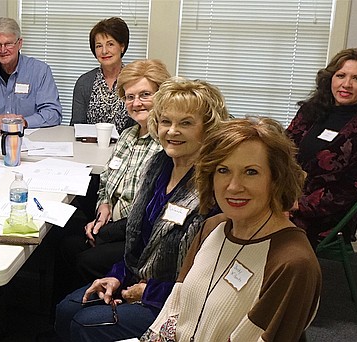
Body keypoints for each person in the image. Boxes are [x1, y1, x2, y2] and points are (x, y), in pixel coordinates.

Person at [55, 77, 230, 341]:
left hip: (175, 301)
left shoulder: (213, 186)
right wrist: (116, 276)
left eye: (185, 123)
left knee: (85, 324)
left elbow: (206, 281)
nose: (172, 131)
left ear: (207, 129)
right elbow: (140, 245)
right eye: (166, 121)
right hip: (137, 281)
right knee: (66, 309)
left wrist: (146, 293)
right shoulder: (158, 165)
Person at [142, 118, 321, 341]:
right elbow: (174, 308)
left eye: (251, 172)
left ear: (276, 179)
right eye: (223, 170)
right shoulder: (213, 227)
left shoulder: (292, 263)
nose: (234, 186)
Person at [61, 59, 169, 285]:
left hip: (139, 235)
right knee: (64, 241)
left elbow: (152, 208)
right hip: (110, 221)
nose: (136, 103)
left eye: (145, 95)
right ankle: (59, 314)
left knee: (85, 260)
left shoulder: (166, 144)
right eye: (130, 97)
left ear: (161, 96)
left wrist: (104, 233)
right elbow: (106, 181)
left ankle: (87, 310)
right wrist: (103, 207)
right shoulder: (127, 136)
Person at [286, 47, 357, 243]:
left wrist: (294, 205)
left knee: (257, 225)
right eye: (341, 75)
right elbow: (283, 150)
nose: (346, 84)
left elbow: (346, 191)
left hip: (322, 213)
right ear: (331, 79)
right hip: (286, 193)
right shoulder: (310, 111)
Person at [71, 17, 131, 133]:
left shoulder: (134, 81)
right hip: (88, 147)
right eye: (99, 46)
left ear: (122, 46)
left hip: (127, 148)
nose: (104, 51)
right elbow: (76, 126)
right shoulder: (84, 82)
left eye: (110, 44)